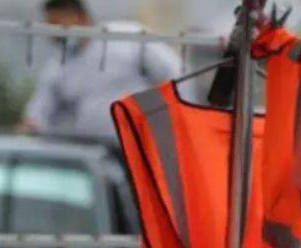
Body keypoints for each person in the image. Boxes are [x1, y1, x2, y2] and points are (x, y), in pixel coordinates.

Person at [20, 0, 182, 143]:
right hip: (91, 152)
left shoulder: (126, 38)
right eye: (51, 27)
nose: (54, 35)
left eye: (59, 26)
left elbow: (173, 73)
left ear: (81, 17)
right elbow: (38, 114)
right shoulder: (59, 66)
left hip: (141, 143)